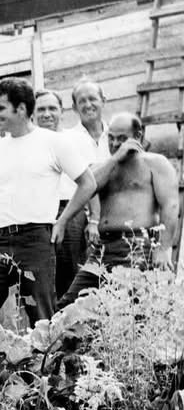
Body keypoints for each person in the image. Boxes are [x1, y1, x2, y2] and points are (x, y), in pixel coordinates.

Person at [0, 78, 95, 324]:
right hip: (0, 241)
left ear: (21, 109)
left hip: (36, 240)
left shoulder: (53, 142)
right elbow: (0, 194)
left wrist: (61, 222)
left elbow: (88, 183)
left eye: (0, 109)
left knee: (42, 317)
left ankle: (47, 362)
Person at [57, 112, 179, 302]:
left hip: (136, 245)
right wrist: (114, 159)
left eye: (121, 139)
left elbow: (170, 207)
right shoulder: (104, 166)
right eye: (111, 138)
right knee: (69, 306)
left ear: (137, 136)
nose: (114, 144)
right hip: (102, 248)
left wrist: (163, 248)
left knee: (131, 310)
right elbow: (87, 186)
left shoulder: (155, 163)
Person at [33, 88, 92, 300]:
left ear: (62, 111)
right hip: (37, 212)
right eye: (41, 109)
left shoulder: (77, 139)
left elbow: (91, 182)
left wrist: (93, 220)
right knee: (42, 272)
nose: (46, 114)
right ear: (32, 113)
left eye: (52, 108)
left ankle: (70, 324)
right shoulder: (30, 141)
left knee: (70, 270)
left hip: (70, 209)